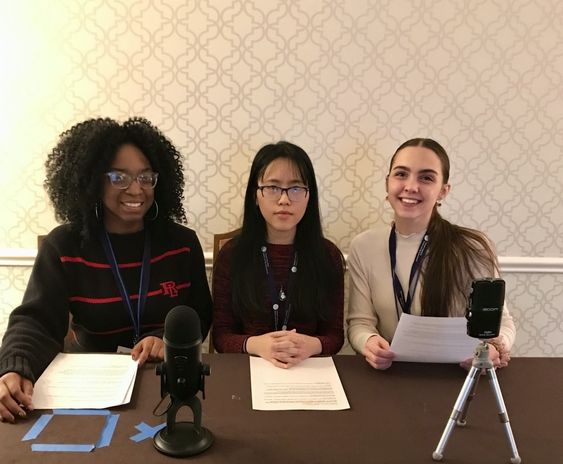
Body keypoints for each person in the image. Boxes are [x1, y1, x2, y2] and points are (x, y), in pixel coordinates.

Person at [0, 117, 212, 422]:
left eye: (145, 177)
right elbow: (37, 321)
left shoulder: (182, 243)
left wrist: (164, 338)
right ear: (92, 180)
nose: (136, 189)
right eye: (119, 177)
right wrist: (14, 367)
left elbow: (199, 313)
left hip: (164, 383)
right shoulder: (65, 246)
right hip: (88, 386)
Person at [347, 138, 516, 370]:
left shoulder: (474, 247)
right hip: (392, 377)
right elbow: (360, 322)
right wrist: (369, 342)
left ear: (443, 191)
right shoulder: (364, 246)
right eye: (401, 174)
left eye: (426, 177)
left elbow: (502, 323)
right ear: (387, 183)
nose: (411, 186)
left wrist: (494, 349)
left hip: (459, 377)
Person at [212, 141, 345, 368]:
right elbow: (221, 337)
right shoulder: (232, 255)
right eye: (273, 188)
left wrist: (311, 345)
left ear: (308, 196)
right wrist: (258, 345)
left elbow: (334, 336)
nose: (284, 200)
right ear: (256, 195)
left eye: (295, 188)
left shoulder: (328, 256)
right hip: (248, 370)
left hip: (308, 371)